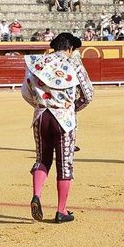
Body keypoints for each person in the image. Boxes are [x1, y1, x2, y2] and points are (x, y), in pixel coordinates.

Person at [23, 31, 94, 223]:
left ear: (54, 47)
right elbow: (88, 95)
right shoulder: (74, 65)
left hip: (40, 117)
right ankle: (61, 211)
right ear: (70, 49)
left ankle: (37, 194)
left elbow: (25, 93)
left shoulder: (37, 63)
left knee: (42, 159)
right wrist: (71, 108)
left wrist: (40, 106)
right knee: (64, 164)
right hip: (64, 120)